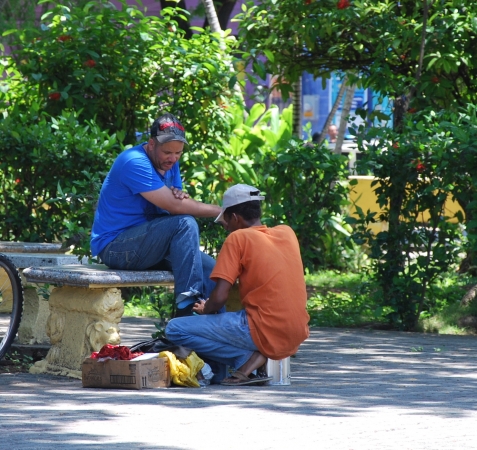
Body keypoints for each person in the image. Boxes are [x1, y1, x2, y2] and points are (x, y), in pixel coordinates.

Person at [165, 184, 310, 386]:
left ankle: (247, 357)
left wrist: (206, 308)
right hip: (297, 330)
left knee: (174, 329)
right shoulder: (287, 233)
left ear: (235, 217)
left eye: (226, 219)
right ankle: (253, 359)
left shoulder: (238, 237)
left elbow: (221, 296)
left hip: (261, 327)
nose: (225, 225)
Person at [90, 112, 222, 317]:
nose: (173, 158)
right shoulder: (133, 161)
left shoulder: (170, 163)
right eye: (168, 152)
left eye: (178, 153)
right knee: (185, 223)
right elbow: (177, 208)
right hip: (116, 246)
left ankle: (211, 333)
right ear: (151, 144)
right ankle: (185, 320)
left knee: (213, 270)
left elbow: (173, 204)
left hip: (151, 243)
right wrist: (223, 212)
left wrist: (176, 198)